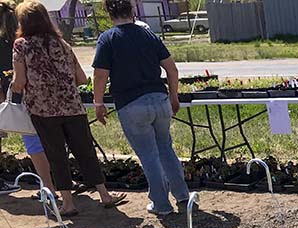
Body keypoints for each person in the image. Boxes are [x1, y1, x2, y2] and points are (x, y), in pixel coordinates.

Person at [11, 1, 126, 216]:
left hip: (43, 110)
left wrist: (19, 86)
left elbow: (19, 81)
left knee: (56, 155)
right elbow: (81, 78)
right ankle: (104, 194)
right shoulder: (62, 43)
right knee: (85, 151)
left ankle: (68, 203)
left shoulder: (21, 45)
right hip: (73, 106)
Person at [93, 0, 190, 216]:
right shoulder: (149, 35)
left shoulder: (107, 39)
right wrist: (174, 96)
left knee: (149, 155)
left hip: (131, 103)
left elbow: (100, 75)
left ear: (109, 13)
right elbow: (172, 70)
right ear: (132, 11)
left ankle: (161, 204)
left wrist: (98, 103)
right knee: (166, 149)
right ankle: (183, 196)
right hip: (159, 99)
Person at [0, 0, 54, 193]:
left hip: (22, 100)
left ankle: (48, 185)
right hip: (49, 96)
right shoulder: (39, 39)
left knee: (33, 142)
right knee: (52, 138)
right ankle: (61, 180)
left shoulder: (14, 45)